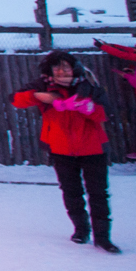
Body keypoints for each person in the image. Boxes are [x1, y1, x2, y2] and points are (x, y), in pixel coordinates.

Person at [11, 50, 118, 253]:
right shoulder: (43, 86)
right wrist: (38, 96)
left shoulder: (89, 86)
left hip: (93, 149)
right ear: (50, 70)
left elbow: (107, 113)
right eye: (57, 67)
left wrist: (90, 109)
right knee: (71, 192)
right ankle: (81, 230)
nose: (62, 71)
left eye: (66, 67)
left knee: (98, 194)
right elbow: (15, 100)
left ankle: (103, 238)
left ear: (73, 68)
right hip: (61, 150)